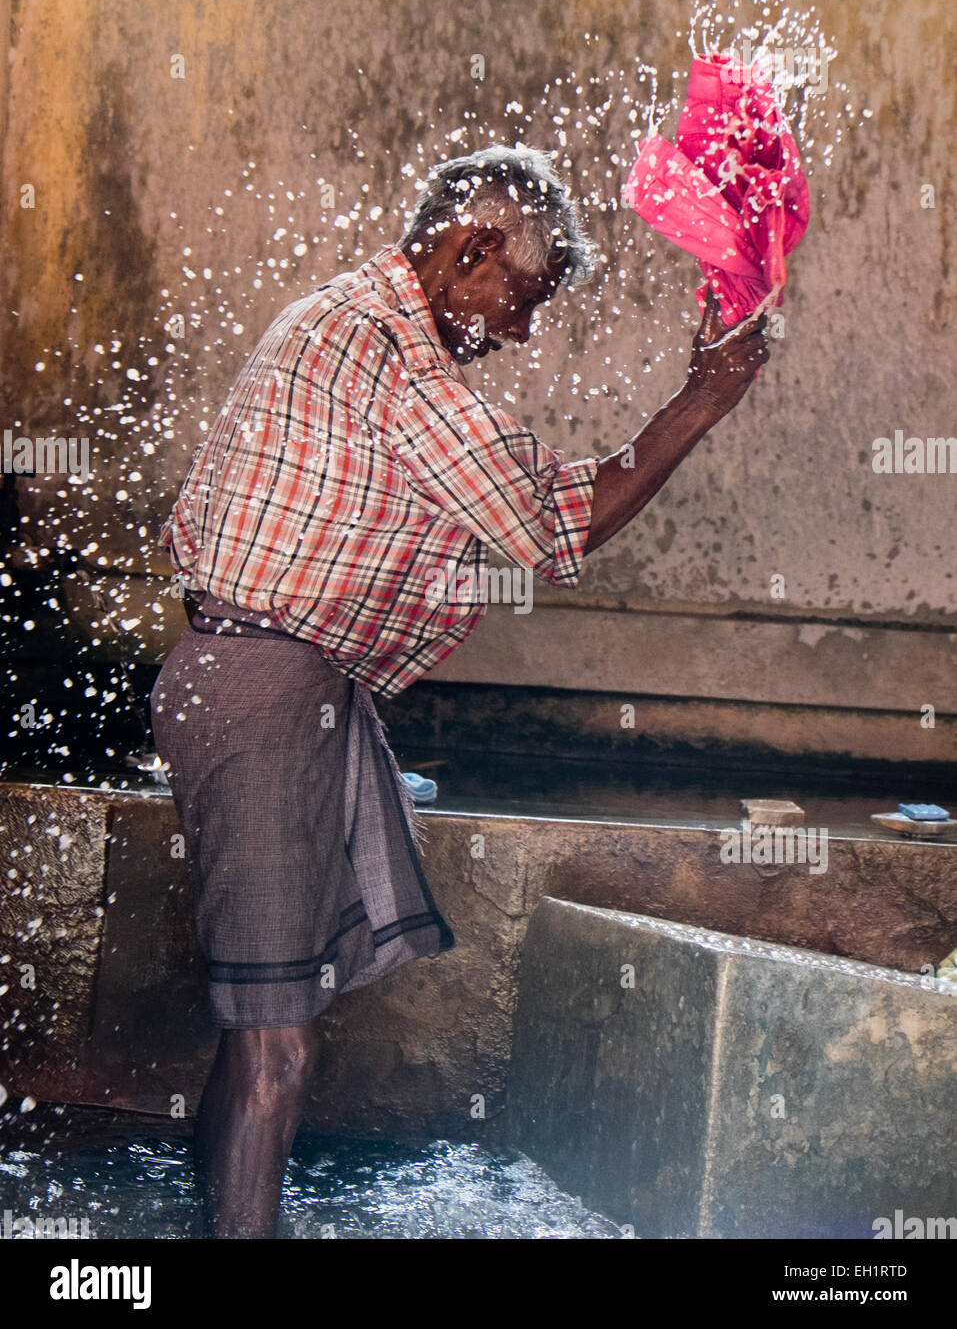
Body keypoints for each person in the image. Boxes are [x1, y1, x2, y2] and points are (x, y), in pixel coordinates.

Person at [150, 143, 768, 1238]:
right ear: (471, 248)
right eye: (518, 300)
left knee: (266, 1013)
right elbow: (550, 523)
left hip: (262, 681)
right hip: (264, 692)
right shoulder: (393, 352)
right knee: (278, 1046)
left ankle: (196, 1215)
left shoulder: (342, 317)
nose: (519, 332)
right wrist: (701, 400)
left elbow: (506, 502)